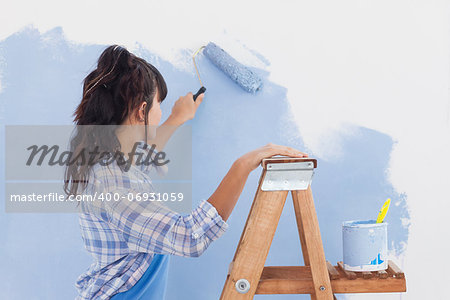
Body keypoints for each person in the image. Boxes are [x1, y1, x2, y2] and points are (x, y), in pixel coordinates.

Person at [65, 44, 308, 300]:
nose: (159, 111)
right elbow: (189, 237)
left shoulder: (109, 161)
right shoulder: (113, 181)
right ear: (141, 111)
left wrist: (176, 118)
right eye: (159, 103)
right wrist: (242, 165)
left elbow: (139, 162)